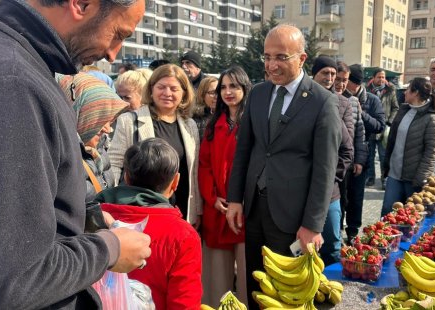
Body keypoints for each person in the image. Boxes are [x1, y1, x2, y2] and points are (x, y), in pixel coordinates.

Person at [0, 0, 152, 307]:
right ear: (81, 4)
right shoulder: (7, 83)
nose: (113, 53)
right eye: (118, 33)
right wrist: (109, 249)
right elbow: (12, 280)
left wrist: (76, 217)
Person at [224, 24, 341, 309]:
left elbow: (325, 169)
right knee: (256, 283)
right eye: (267, 57)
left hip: (293, 218)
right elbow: (244, 150)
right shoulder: (259, 94)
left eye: (280, 57)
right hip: (254, 210)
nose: (271, 65)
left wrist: (312, 226)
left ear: (302, 59)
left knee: (287, 293)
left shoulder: (322, 102)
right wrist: (235, 199)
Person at [97, 138, 202, 310]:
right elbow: (184, 304)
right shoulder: (183, 235)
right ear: (175, 182)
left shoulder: (95, 216)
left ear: (126, 177)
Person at [109, 64, 202, 228]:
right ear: (151, 89)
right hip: (139, 211)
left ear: (184, 93)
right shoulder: (130, 121)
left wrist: (197, 211)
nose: (167, 93)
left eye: (174, 88)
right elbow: (114, 165)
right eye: (161, 87)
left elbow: (193, 172)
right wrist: (113, 204)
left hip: (179, 211)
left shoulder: (190, 125)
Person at [198, 66, 251, 307]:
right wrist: (212, 198)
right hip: (217, 209)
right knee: (216, 279)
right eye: (223, 87)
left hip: (245, 210)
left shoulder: (254, 123)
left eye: (234, 86)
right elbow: (204, 165)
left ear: (244, 88)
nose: (228, 92)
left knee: (249, 277)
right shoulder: (212, 125)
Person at [57, 73, 129, 201]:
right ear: (80, 112)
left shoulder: (98, 148)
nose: (108, 129)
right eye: (100, 119)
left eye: (110, 120)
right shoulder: (61, 156)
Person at [311, 56, 355, 265]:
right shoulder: (301, 101)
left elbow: (347, 149)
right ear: (314, 75)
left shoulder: (342, 103)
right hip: (300, 188)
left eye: (332, 74)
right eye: (324, 73)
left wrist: (331, 178)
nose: (329, 78)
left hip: (330, 191)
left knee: (332, 244)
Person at [381, 78, 435, 216]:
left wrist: (421, 177)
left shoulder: (433, 117)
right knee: (388, 211)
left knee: (410, 215)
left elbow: (432, 151)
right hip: (395, 173)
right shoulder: (404, 110)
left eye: (408, 89)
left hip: (414, 178)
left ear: (415, 93)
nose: (405, 92)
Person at [342, 63, 386, 243]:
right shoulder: (339, 96)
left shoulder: (372, 100)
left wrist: (362, 114)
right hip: (341, 155)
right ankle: (337, 228)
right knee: (340, 197)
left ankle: (352, 231)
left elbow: (380, 126)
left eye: (350, 82)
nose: (347, 85)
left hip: (362, 153)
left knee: (356, 196)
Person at [335, 61, 367, 246]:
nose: (340, 84)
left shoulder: (353, 102)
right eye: (337, 79)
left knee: (345, 200)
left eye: (344, 80)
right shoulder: (323, 98)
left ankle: (340, 234)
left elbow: (359, 132)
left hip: (347, 161)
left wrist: (359, 160)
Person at [366, 67, 400, 189]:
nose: (381, 79)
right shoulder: (366, 90)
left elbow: (396, 107)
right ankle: (370, 178)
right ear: (373, 78)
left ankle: (384, 178)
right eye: (379, 77)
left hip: (384, 128)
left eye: (383, 77)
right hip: (370, 127)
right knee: (369, 155)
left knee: (384, 155)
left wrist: (390, 121)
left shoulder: (390, 90)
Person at [193, 75, 219, 140]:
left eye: (219, 92)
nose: (216, 96)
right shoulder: (194, 119)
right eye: (212, 92)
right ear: (202, 95)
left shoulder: (227, 116)